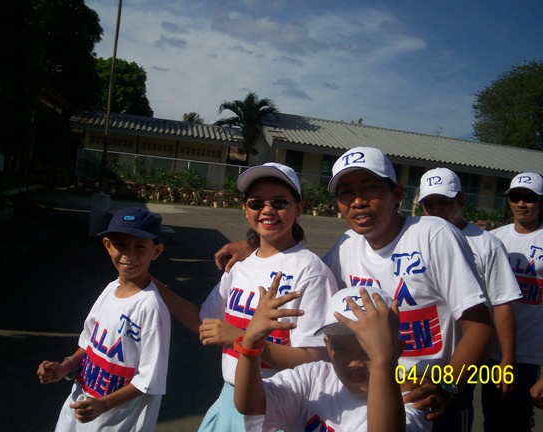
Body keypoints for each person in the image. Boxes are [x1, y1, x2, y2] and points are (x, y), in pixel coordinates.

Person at [215, 147, 495, 432]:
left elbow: (481, 329)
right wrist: (254, 245)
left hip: (428, 399)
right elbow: (302, 266)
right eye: (346, 193)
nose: (358, 201)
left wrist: (447, 387)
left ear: (397, 193)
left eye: (370, 189)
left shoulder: (432, 234)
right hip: (364, 392)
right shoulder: (348, 245)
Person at [157, 162, 338, 431]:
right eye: (256, 203)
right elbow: (205, 324)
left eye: (279, 202)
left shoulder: (309, 271)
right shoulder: (239, 268)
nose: (267, 210)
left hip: (276, 405)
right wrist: (157, 288)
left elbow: (317, 357)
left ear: (298, 208)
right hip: (228, 398)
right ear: (245, 210)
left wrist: (242, 341)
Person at [234, 276, 431, 432]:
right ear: (327, 346)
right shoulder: (315, 376)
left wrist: (382, 361)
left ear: (395, 350)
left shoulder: (412, 397)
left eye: (367, 350)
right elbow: (250, 405)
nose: (354, 362)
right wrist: (250, 345)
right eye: (341, 348)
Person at [37, 207, 171, 432]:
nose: (129, 255)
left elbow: (149, 380)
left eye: (140, 247)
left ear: (156, 251)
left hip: (117, 422)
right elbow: (89, 345)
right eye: (120, 245)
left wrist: (104, 404)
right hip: (79, 408)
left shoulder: (151, 307)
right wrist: (64, 367)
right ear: (108, 246)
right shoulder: (110, 290)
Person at [417, 167, 522, 420]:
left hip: (460, 359)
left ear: (461, 200)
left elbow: (502, 303)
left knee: (454, 412)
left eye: (444, 201)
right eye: (429, 203)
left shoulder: (486, 243)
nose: (437, 209)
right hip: (417, 361)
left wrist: (508, 359)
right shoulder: (415, 238)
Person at [482, 172, 543, 432]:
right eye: (516, 197)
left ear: (541, 202)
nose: (521, 204)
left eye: (529, 198)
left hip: (529, 355)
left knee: (516, 422)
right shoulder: (494, 239)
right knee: (491, 418)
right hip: (491, 352)